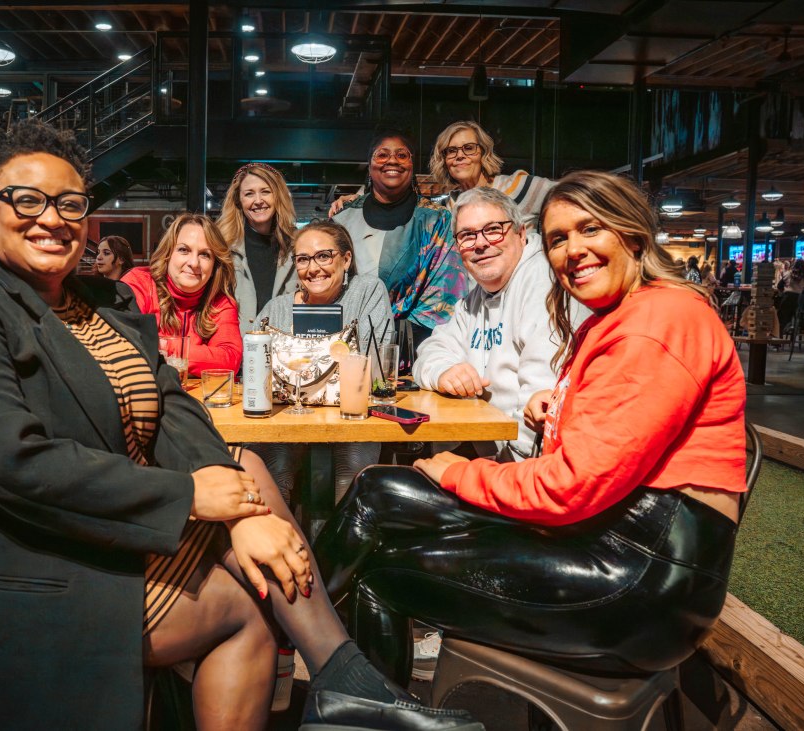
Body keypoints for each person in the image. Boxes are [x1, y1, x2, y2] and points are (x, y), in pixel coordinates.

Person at [0, 119, 478, 731]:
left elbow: (174, 406)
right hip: (27, 550)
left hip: (109, 523)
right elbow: (12, 465)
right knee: (246, 607)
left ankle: (345, 678)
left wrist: (238, 509)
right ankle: (347, 682)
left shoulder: (105, 304)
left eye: (69, 203)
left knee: (247, 469)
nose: (52, 218)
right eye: (28, 200)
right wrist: (191, 495)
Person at [313, 170, 746, 689]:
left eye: (591, 229)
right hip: (611, 537)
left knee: (382, 569)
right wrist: (559, 405)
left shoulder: (658, 322)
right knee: (378, 489)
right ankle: (320, 650)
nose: (573, 250)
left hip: (642, 581)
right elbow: (612, 433)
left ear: (633, 235)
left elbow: (569, 486)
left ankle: (306, 642)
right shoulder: (622, 317)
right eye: (559, 238)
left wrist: (459, 473)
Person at [413, 186, 584, 462]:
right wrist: (444, 370)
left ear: (521, 233)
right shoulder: (477, 296)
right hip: (490, 448)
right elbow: (430, 350)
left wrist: (502, 469)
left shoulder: (544, 282)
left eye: (493, 230)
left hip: (530, 461)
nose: (480, 244)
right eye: (467, 236)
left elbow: (542, 400)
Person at [254, 219, 393, 503]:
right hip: (285, 416)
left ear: (346, 259)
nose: (313, 268)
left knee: (352, 470)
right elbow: (254, 371)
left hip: (351, 415)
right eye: (303, 259)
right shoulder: (277, 309)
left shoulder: (367, 292)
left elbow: (376, 368)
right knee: (270, 468)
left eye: (324, 256)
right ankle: (283, 532)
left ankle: (340, 534)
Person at [334, 128, 468, 355]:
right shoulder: (342, 220)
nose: (392, 160)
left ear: (411, 164)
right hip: (346, 345)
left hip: (413, 348)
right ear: (369, 165)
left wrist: (394, 341)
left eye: (402, 155)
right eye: (382, 154)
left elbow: (444, 293)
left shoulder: (437, 220)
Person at [122, 214, 242, 377]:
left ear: (215, 265)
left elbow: (229, 360)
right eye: (184, 250)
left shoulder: (221, 302)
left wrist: (162, 345)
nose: (194, 263)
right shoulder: (139, 283)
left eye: (205, 254)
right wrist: (199, 355)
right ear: (168, 253)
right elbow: (126, 344)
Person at [217, 163, 299, 333]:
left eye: (266, 191)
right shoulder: (222, 248)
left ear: (278, 196)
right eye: (249, 194)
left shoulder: (298, 247)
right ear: (239, 201)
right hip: (238, 345)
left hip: (284, 345)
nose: (258, 200)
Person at [428, 120, 555, 222]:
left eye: (469, 148)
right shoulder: (447, 207)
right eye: (451, 151)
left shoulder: (519, 187)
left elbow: (565, 192)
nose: (460, 155)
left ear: (484, 153)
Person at [776, 259, 804, 334]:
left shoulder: (788, 274)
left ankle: (781, 333)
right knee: (799, 316)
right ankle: (796, 328)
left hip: (788, 298)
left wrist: (783, 292)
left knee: (782, 316)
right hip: (801, 300)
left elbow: (779, 286)